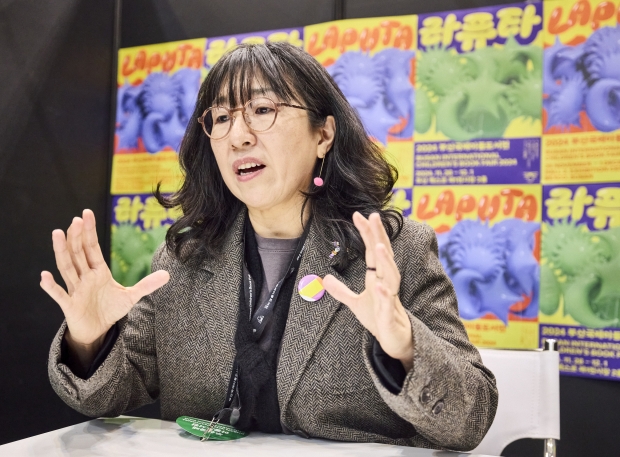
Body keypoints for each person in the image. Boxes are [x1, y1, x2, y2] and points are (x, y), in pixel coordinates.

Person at [42, 42, 497, 451]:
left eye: (262, 110)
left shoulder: (395, 251)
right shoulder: (182, 259)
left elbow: (469, 421)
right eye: (221, 118)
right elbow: (105, 396)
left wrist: (404, 345)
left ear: (323, 135)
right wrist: (88, 338)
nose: (238, 135)